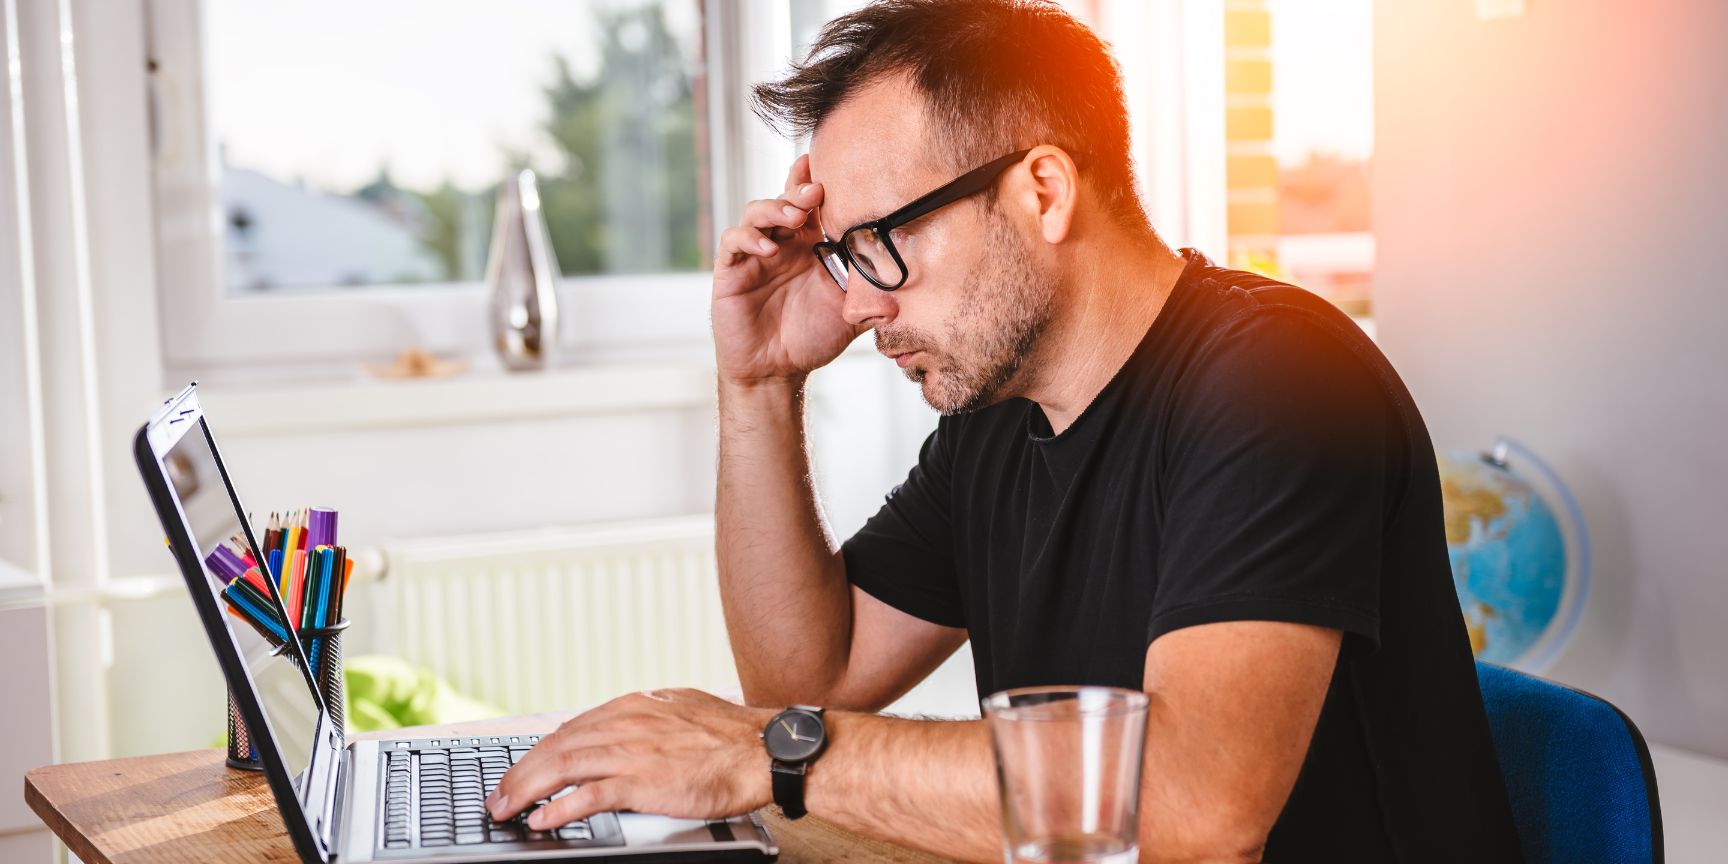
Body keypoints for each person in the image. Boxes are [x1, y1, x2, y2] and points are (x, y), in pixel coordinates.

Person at [490, 1, 1523, 860]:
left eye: (880, 243)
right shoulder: (998, 420)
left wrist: (772, 753)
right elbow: (808, 680)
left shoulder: (1280, 382)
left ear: (1042, 190)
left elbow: (1196, 812)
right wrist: (758, 380)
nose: (858, 306)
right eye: (843, 257)